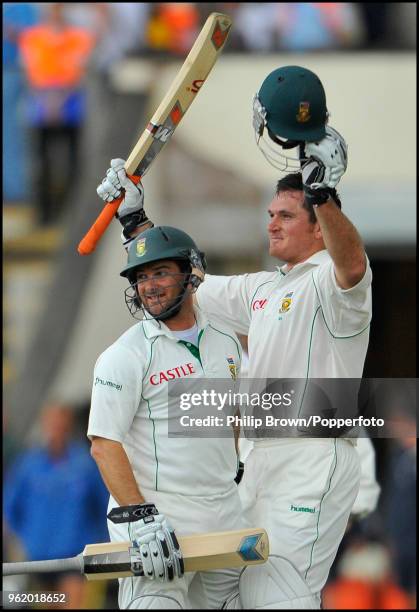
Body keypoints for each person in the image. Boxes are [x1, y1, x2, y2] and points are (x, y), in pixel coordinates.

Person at [97, 63, 372, 608]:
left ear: (317, 223)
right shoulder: (265, 289)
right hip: (262, 460)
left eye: (286, 216)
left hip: (313, 455)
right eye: (270, 213)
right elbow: (180, 276)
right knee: (240, 594)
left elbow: (354, 264)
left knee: (277, 596)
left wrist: (325, 194)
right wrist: (134, 219)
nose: (271, 223)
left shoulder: (336, 284)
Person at [87, 218, 245, 609]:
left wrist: (236, 467)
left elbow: (232, 414)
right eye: (141, 277)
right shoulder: (124, 355)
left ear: (190, 275)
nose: (149, 286)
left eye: (160, 272)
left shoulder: (225, 341)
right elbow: (104, 446)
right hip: (160, 523)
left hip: (223, 515)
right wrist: (141, 519)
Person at [4, 403, 109, 609]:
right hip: (39, 558)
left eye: (60, 423)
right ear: (44, 425)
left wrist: (100, 541)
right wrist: (25, 538)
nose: (56, 428)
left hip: (75, 556)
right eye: (52, 423)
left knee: (73, 605)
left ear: (68, 426)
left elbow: (103, 504)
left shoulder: (84, 463)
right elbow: (11, 507)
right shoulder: (29, 464)